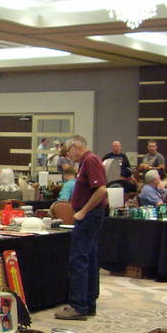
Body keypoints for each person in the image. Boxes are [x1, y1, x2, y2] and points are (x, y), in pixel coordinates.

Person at [55, 135, 107, 321]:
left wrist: (83, 211)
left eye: (69, 151)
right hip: (90, 216)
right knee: (89, 258)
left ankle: (78, 306)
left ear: (76, 146)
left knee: (79, 259)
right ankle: (88, 303)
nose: (69, 156)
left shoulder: (90, 160)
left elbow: (101, 189)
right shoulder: (87, 161)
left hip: (88, 217)